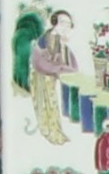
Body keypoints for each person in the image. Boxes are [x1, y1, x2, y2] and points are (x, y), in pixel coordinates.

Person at [29, 10, 76, 145]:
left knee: (54, 103)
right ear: (54, 23)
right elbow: (39, 62)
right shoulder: (44, 40)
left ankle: (56, 131)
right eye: (63, 23)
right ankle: (49, 132)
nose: (66, 27)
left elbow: (70, 62)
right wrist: (58, 69)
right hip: (41, 76)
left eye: (68, 24)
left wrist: (67, 69)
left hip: (52, 76)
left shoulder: (60, 42)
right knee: (46, 103)